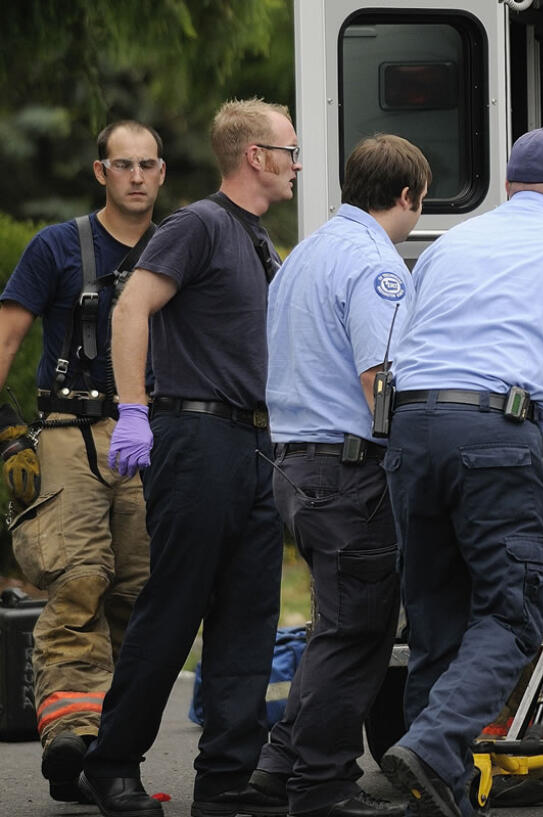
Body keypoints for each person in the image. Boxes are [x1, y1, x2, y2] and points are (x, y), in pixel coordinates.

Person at [377, 126, 543, 817]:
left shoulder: (445, 246)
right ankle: (431, 747)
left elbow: (403, 346)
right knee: (516, 612)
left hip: (412, 428)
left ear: (510, 184)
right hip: (495, 432)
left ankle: (439, 798)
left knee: (436, 620)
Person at [80, 98, 302, 817]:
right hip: (197, 439)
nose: (297, 164)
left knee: (249, 615)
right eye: (289, 151)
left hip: (254, 444)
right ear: (255, 156)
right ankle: (111, 764)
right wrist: (134, 408)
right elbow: (130, 308)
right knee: (174, 607)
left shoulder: (259, 240)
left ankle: (226, 778)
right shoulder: (197, 224)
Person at [251, 134, 430, 817]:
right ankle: (322, 784)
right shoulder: (374, 264)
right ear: (408, 195)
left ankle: (281, 763)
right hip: (348, 469)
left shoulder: (307, 254)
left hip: (297, 463)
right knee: (357, 631)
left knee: (335, 624)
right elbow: (380, 380)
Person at [0, 121, 164, 804]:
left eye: (146, 164)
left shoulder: (178, 245)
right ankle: (71, 729)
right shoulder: (56, 246)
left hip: (150, 433)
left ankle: (112, 743)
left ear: (160, 173)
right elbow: (7, 337)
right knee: (79, 578)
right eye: (121, 164)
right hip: (69, 428)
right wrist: (7, 434)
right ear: (102, 171)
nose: (134, 176)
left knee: (139, 590)